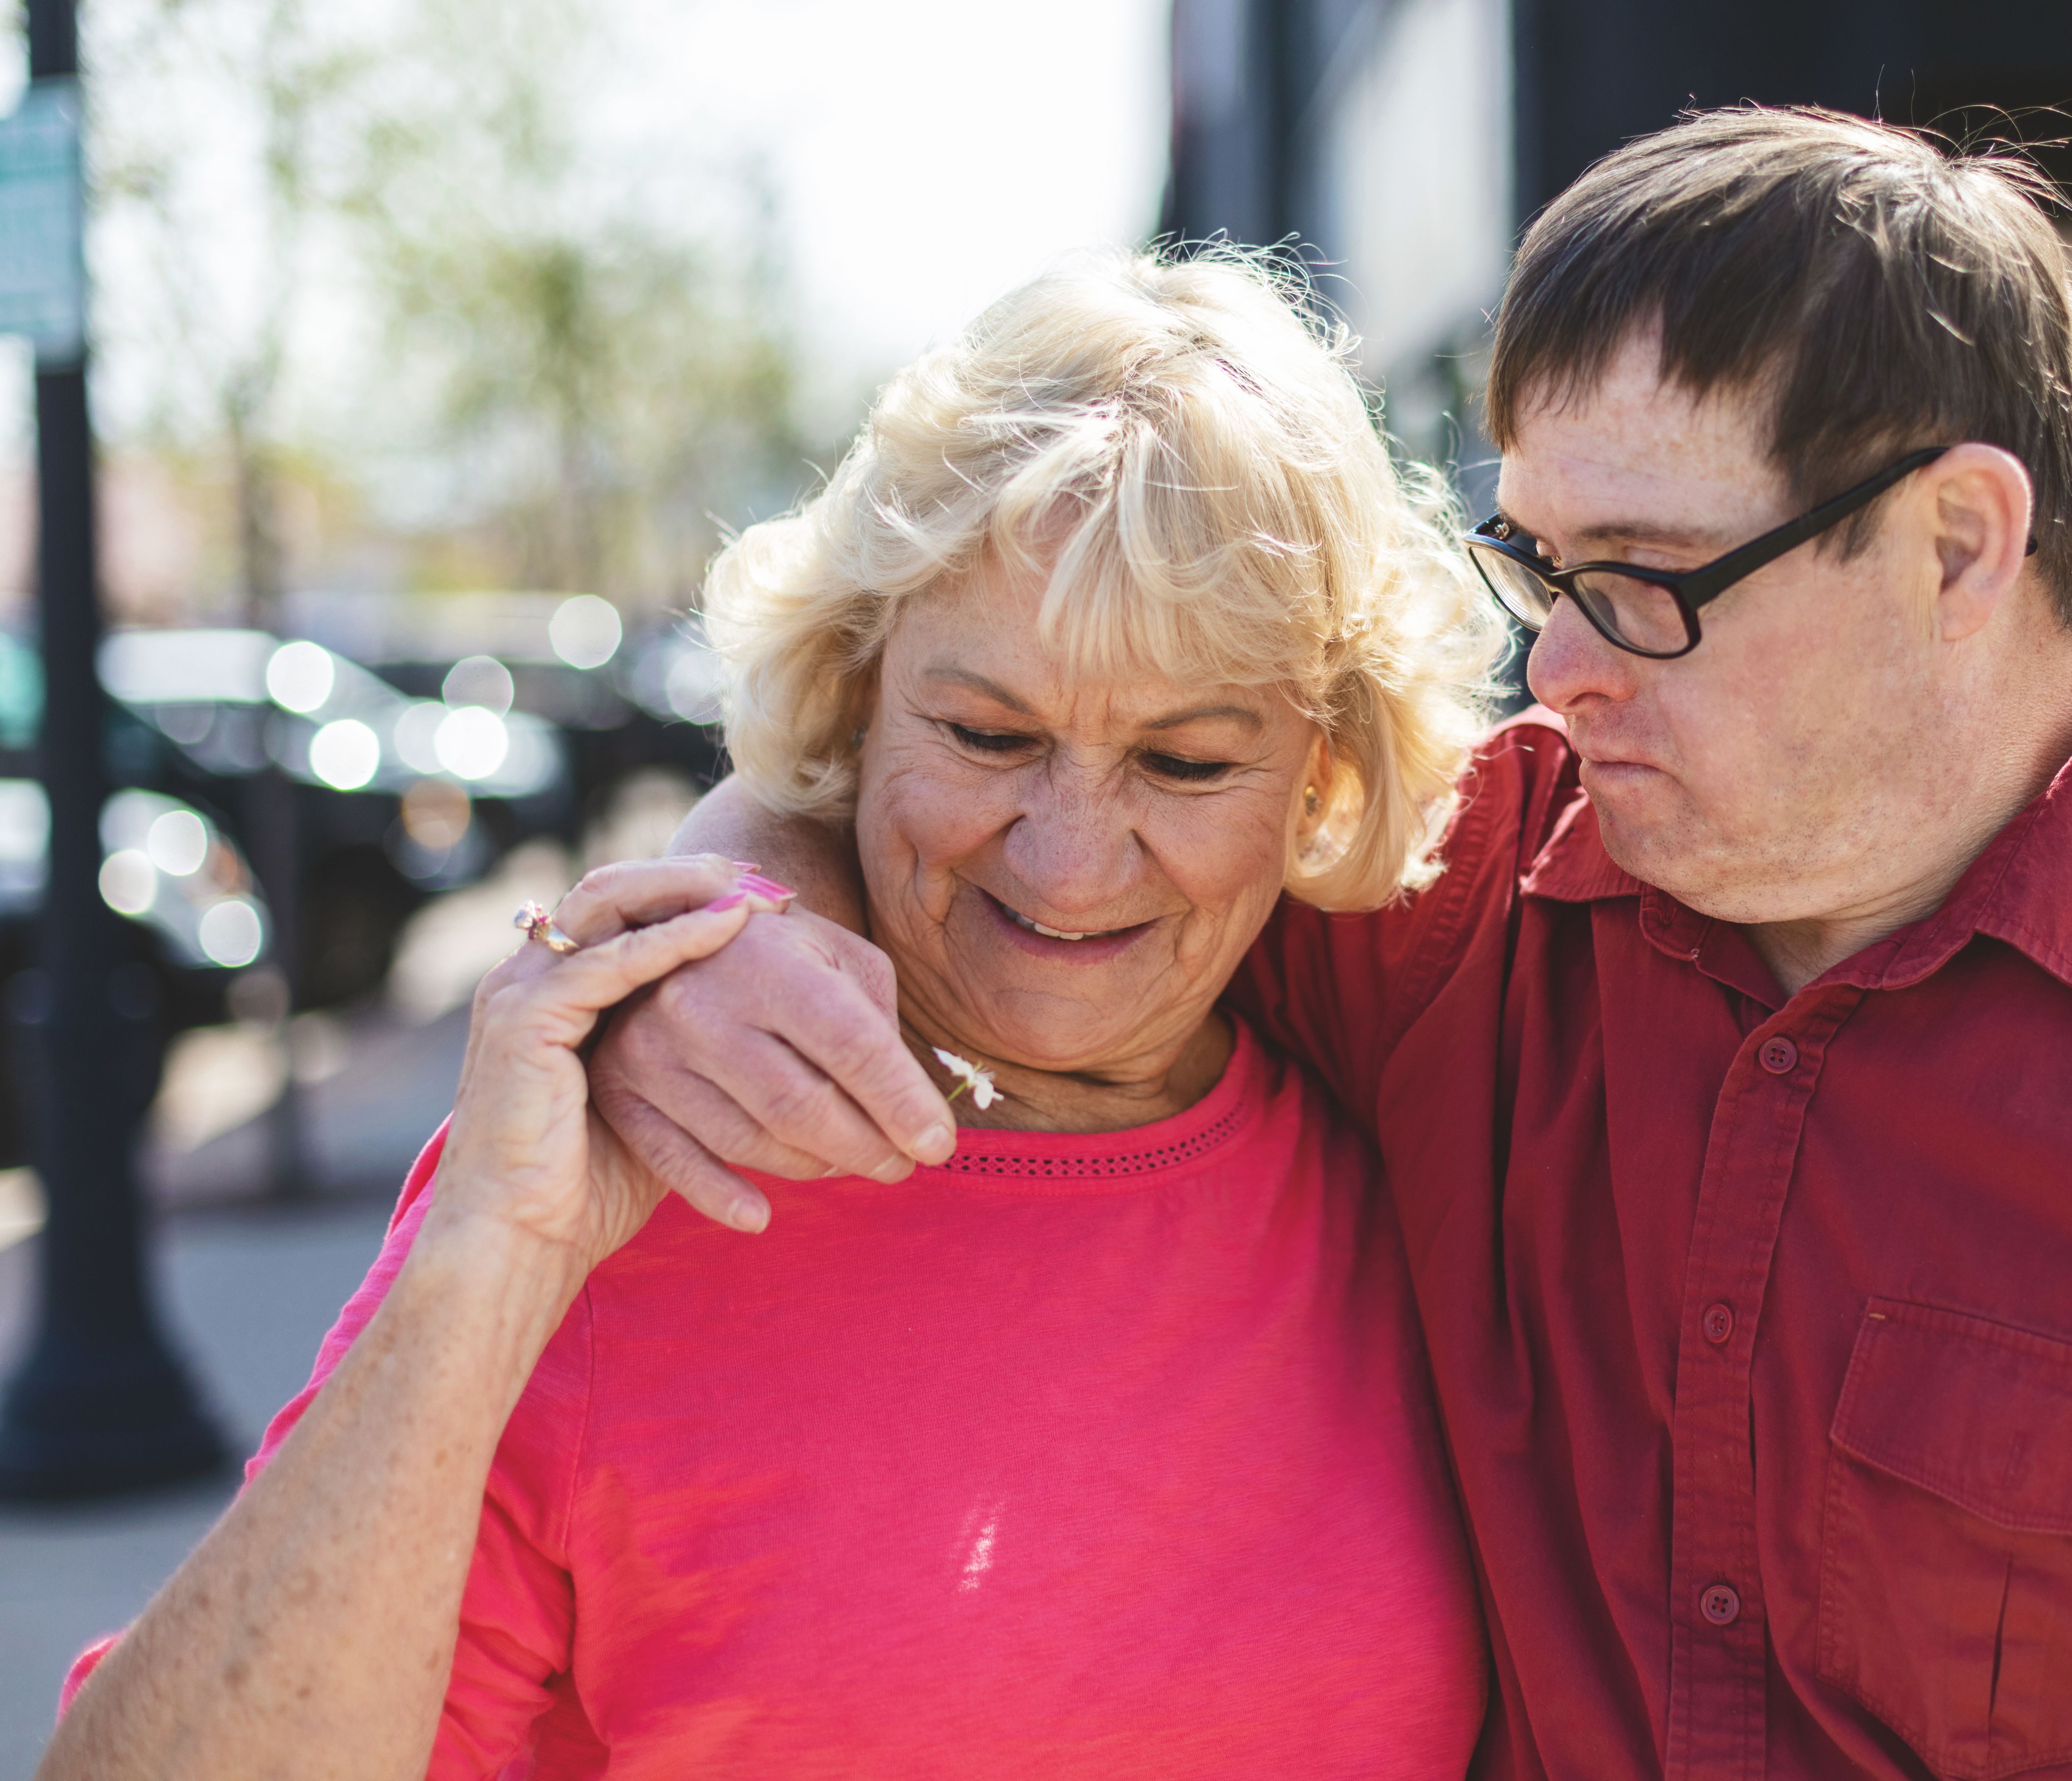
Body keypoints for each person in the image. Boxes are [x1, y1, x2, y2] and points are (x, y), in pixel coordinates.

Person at [598, 107, 2072, 1778]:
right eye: (1541, 567)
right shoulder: (1439, 908)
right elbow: (1006, 836)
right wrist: (744, 904)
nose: (1561, 669)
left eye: (1652, 579)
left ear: (1959, 544)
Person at [44, 252, 1498, 1779]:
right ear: (852, 698)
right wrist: (485, 1273)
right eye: (987, 734)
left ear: (1325, 769)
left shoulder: (1408, 1151)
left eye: (1187, 764)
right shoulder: (643, 1159)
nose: (1070, 860)